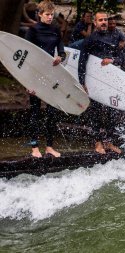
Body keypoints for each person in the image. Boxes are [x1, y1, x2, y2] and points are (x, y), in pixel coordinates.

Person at [25, 0, 65, 158]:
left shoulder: (56, 29)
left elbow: (62, 51)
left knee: (52, 112)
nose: (50, 17)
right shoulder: (33, 30)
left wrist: (60, 58)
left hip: (50, 75)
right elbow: (26, 57)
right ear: (40, 14)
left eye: (52, 15)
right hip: (34, 75)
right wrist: (27, 82)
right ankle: (34, 147)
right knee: (35, 112)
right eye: (47, 15)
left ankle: (49, 146)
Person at [78, 11, 122, 155]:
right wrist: (82, 82)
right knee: (95, 111)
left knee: (112, 112)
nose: (104, 22)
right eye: (100, 20)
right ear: (95, 23)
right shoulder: (89, 39)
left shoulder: (113, 37)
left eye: (105, 20)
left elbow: (120, 58)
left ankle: (109, 142)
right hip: (94, 81)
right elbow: (82, 62)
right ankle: (97, 142)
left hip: (110, 80)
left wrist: (113, 61)